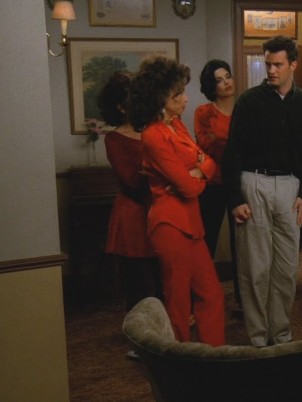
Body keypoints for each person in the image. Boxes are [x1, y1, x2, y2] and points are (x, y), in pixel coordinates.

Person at [222, 35, 302, 347]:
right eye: (268, 64)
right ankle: (258, 338)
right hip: (254, 183)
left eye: (278, 64)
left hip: (291, 187)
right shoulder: (249, 101)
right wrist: (235, 199)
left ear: (293, 65)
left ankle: (280, 335)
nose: (271, 70)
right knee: (255, 268)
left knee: (285, 269)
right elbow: (232, 153)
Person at [130, 56, 225, 346]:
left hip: (192, 223)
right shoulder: (152, 135)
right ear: (160, 99)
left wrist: (197, 171)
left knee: (211, 293)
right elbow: (189, 187)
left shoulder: (177, 126)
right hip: (169, 224)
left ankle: (213, 356)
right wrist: (196, 172)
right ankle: (180, 360)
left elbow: (211, 166)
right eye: (178, 94)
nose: (186, 99)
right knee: (178, 300)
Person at [99, 71, 163, 359]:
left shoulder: (154, 129)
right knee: (140, 280)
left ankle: (162, 337)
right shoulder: (114, 138)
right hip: (135, 215)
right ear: (120, 106)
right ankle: (141, 341)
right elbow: (131, 182)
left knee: (161, 277)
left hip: (159, 210)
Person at [194, 59, 241, 305]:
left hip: (240, 184)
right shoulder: (204, 112)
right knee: (206, 241)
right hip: (212, 184)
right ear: (211, 87)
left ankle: (243, 299)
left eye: (228, 77)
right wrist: (237, 149)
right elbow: (208, 146)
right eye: (219, 80)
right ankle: (201, 300)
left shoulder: (244, 109)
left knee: (241, 244)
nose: (226, 83)